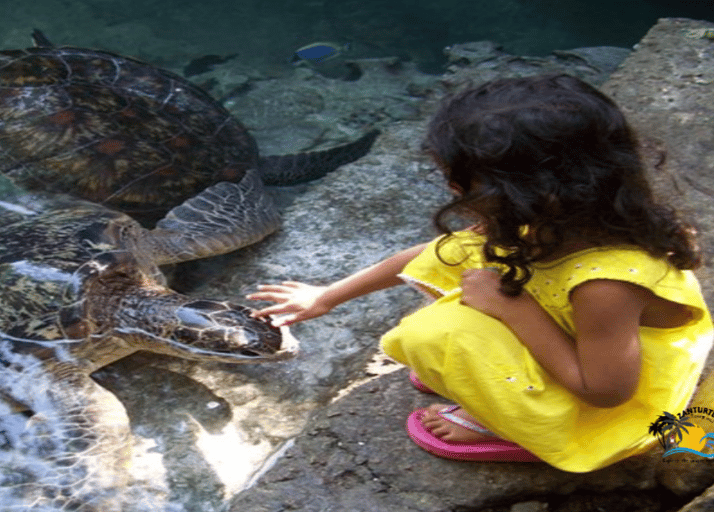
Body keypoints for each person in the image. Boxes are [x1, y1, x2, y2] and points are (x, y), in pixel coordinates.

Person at [246, 74, 714, 472]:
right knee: (464, 256)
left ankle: (512, 425)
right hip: (585, 338)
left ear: (533, 190)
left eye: (460, 180)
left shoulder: (606, 285)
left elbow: (607, 392)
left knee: (439, 332)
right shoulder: (562, 218)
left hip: (618, 402)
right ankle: (501, 375)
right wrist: (328, 295)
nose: (451, 188)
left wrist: (513, 309)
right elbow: (430, 254)